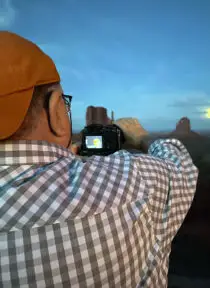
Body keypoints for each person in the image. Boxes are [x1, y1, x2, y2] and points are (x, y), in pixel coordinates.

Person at [0, 31, 198, 288]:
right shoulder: (132, 184)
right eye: (64, 104)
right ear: (55, 111)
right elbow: (180, 165)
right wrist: (140, 136)